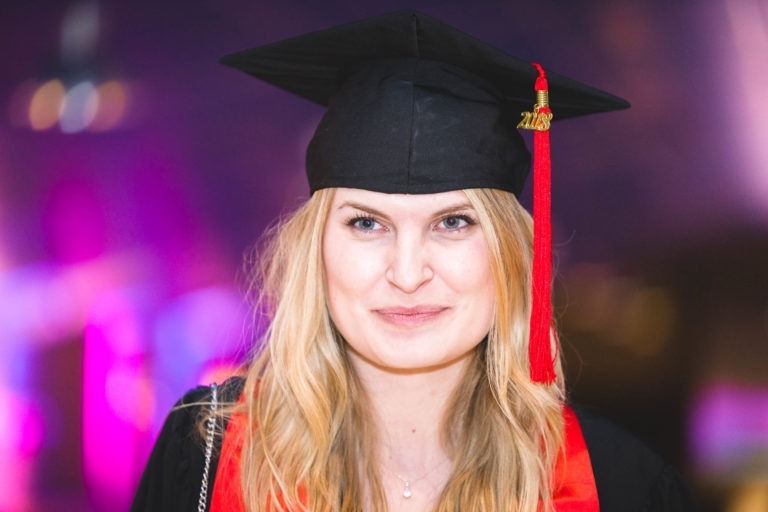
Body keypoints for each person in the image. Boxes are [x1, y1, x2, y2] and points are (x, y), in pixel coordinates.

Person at [131, 10, 697, 512]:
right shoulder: (206, 454)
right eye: (366, 223)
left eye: (453, 222)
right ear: (316, 249)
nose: (407, 274)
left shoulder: (618, 486)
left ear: (509, 252)